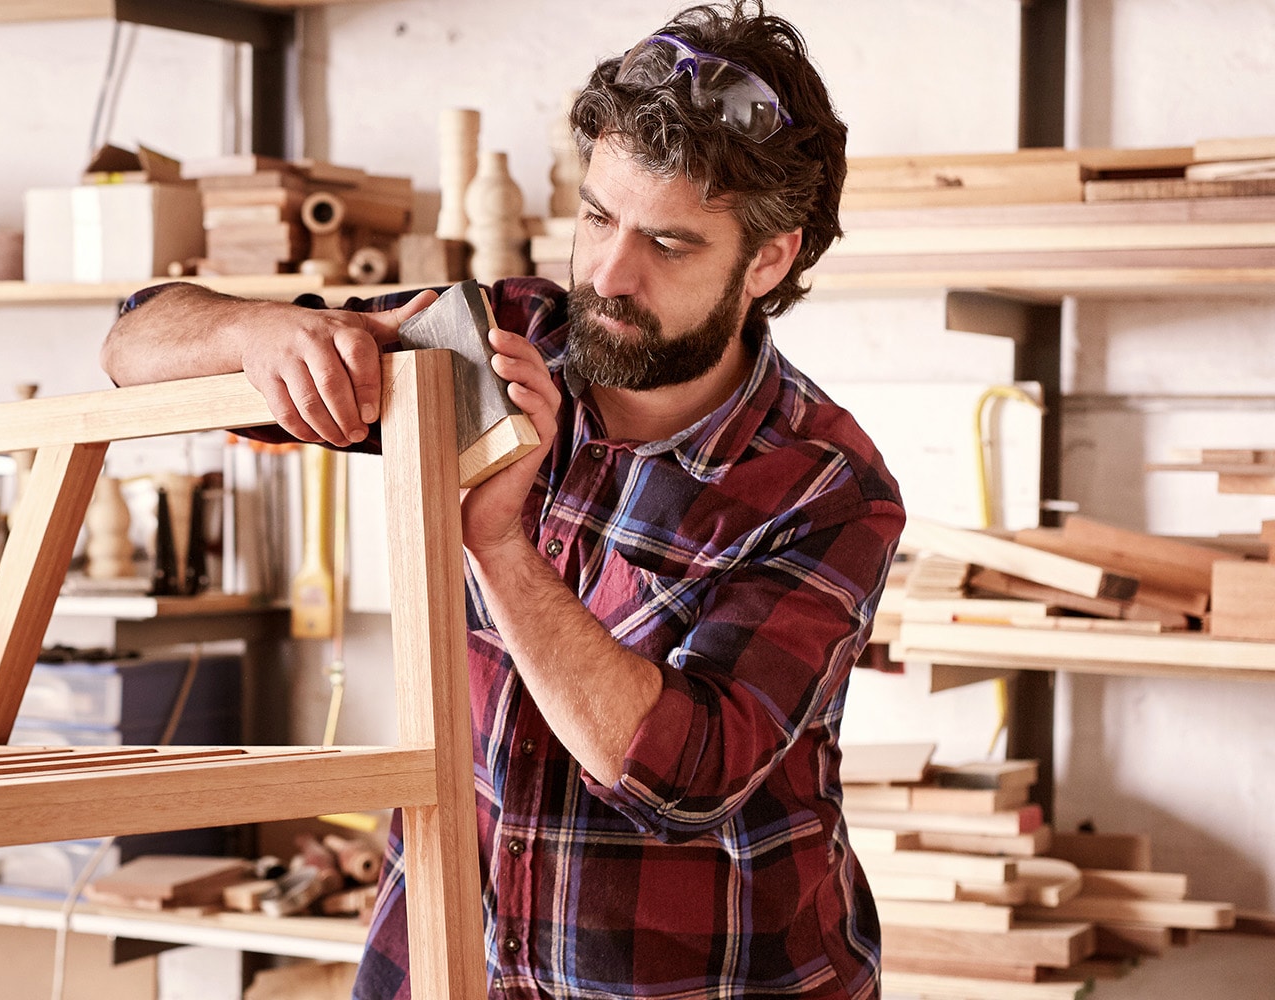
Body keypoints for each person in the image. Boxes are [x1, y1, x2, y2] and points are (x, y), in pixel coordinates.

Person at [100, 3, 900, 997]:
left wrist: (498, 544)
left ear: (768, 261)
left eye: (668, 243)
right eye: (599, 216)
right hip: (447, 966)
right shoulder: (494, 343)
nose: (608, 272)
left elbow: (678, 775)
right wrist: (262, 333)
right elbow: (135, 345)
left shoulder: (825, 486)